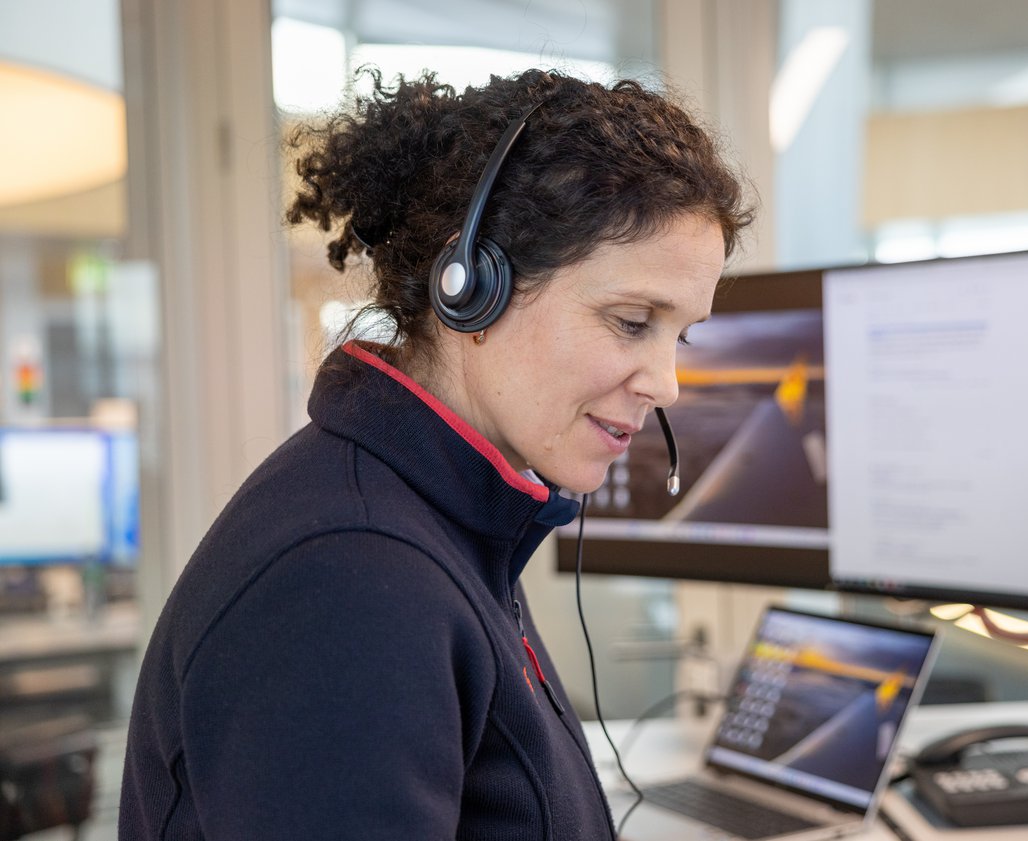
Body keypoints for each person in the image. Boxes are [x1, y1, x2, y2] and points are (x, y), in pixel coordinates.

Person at [118, 67, 754, 840]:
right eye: (630, 322)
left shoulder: (447, 519)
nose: (667, 384)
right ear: (471, 286)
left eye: (678, 336)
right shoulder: (349, 581)